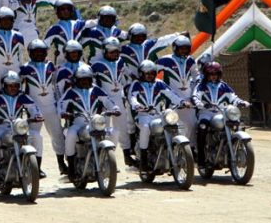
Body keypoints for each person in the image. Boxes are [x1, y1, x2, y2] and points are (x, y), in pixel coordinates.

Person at [58, 66, 119, 181]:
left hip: (95, 122)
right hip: (78, 124)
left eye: (87, 79)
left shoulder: (96, 90)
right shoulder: (70, 92)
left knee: (114, 132)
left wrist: (115, 108)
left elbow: (108, 101)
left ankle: (106, 158)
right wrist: (63, 113)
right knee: (70, 134)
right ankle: (71, 166)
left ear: (91, 79)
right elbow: (61, 104)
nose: (85, 81)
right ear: (76, 80)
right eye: (81, 79)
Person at [0, 71, 44, 184]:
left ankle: (37, 169)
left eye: (16, 85)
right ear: (4, 85)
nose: (13, 88)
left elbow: (34, 107)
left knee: (37, 136)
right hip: (1, 127)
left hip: (18, 127)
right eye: (10, 85)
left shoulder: (23, 96)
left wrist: (37, 115)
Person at [128, 60, 187, 172]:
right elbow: (132, 98)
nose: (150, 76)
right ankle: (143, 160)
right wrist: (137, 106)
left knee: (174, 125)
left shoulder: (159, 83)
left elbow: (171, 94)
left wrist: (182, 102)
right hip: (143, 115)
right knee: (145, 128)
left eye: (152, 73)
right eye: (147, 73)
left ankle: (175, 152)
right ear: (141, 74)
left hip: (158, 115)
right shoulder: (136, 84)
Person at [19, 39, 67, 175]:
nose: (39, 54)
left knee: (58, 136)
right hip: (34, 108)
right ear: (30, 53)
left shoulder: (50, 65)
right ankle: (36, 167)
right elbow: (20, 87)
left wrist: (59, 101)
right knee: (34, 137)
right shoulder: (25, 68)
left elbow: (56, 84)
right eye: (36, 52)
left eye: (42, 52)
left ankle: (62, 164)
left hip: (51, 106)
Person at [192, 62, 250, 167]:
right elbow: (195, 97)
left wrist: (242, 102)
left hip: (222, 112)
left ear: (219, 74)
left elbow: (233, 97)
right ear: (206, 75)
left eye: (216, 74)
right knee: (202, 127)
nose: (213, 76)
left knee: (236, 124)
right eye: (210, 74)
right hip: (206, 113)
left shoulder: (224, 86)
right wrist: (200, 104)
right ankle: (201, 158)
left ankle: (233, 147)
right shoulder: (201, 86)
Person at [89, 37, 134, 166]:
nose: (114, 54)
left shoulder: (120, 62)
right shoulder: (96, 65)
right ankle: (103, 158)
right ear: (104, 51)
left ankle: (126, 155)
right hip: (103, 101)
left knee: (122, 128)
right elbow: (92, 85)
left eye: (116, 51)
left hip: (118, 99)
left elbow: (128, 73)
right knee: (104, 129)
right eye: (111, 51)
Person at [156, 35, 199, 143]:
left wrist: (195, 91)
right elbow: (151, 73)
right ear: (175, 48)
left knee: (192, 125)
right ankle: (170, 150)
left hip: (189, 99)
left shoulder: (191, 60)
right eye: (181, 48)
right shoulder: (165, 60)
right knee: (171, 126)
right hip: (171, 100)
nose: (184, 50)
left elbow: (196, 75)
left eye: (186, 48)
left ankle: (191, 149)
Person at [0, 6, 26, 93]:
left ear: (13, 21)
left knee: (17, 96)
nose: (6, 22)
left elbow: (21, 55)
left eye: (9, 19)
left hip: (15, 70)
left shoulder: (19, 36)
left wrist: (21, 71)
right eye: (3, 19)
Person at [44, 0, 93, 66]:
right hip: (61, 64)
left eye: (68, 9)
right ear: (57, 11)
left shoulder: (79, 24)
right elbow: (43, 46)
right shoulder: (54, 29)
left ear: (72, 10)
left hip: (79, 64)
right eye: (62, 9)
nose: (66, 11)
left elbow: (94, 22)